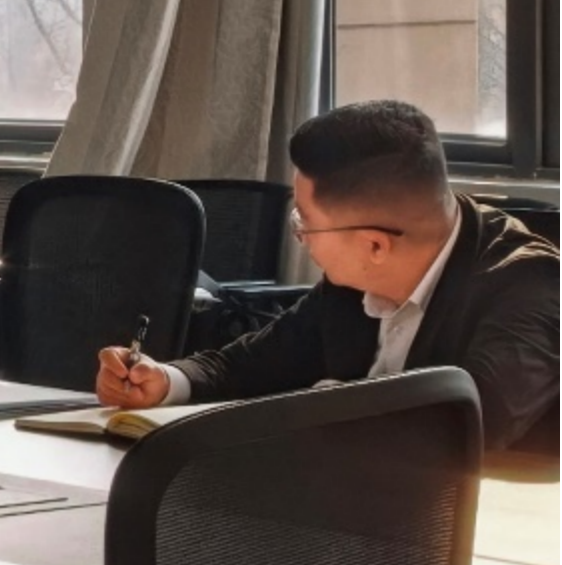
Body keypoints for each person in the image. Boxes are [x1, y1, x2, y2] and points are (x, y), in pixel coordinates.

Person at [99, 99, 561, 455]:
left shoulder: (528, 287)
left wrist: (326, 404)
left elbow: (470, 428)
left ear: (374, 245)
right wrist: (165, 379)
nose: (300, 235)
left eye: (305, 221)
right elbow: (250, 366)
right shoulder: (351, 281)